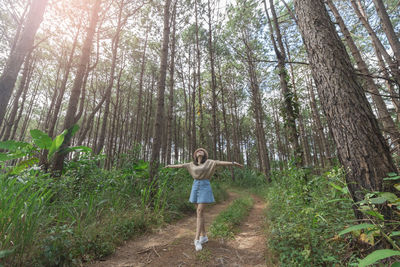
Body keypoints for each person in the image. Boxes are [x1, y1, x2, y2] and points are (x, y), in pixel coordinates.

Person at [165, 148, 243, 251]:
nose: (199, 151)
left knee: (200, 211)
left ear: (205, 154)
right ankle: (204, 236)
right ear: (195, 155)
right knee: (199, 213)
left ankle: (196, 239)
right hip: (195, 186)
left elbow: (220, 162)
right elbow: (181, 165)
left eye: (202, 150)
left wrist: (233, 163)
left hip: (205, 186)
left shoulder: (209, 162)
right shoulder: (191, 165)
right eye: (197, 151)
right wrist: (169, 166)